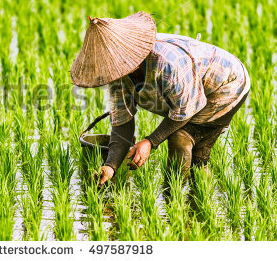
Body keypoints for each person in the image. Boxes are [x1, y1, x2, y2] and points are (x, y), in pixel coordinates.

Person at [70, 12, 250, 188]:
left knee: (181, 138)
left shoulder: (167, 64)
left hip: (227, 85)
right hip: (195, 92)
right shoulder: (118, 77)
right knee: (197, 158)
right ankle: (196, 200)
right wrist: (110, 167)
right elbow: (122, 124)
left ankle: (175, 199)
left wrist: (149, 141)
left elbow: (183, 110)